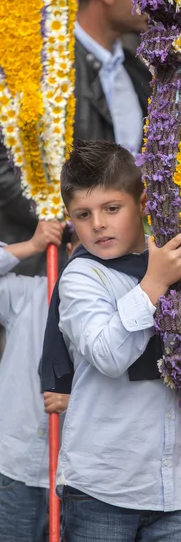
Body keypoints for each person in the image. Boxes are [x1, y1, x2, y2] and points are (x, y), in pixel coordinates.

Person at [45, 139, 181, 542]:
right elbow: (108, 355)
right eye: (83, 214)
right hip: (103, 489)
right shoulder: (83, 277)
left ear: (143, 203)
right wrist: (153, 284)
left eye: (111, 208)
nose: (98, 223)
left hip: (179, 489)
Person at [0, 0, 152, 275]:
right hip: (55, 266)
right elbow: (6, 164)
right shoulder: (42, 66)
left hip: (129, 266)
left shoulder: (137, 71)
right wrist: (72, 218)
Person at [0, 220, 73, 542]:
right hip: (15, 468)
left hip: (77, 481)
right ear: (69, 251)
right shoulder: (31, 293)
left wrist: (75, 400)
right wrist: (32, 245)